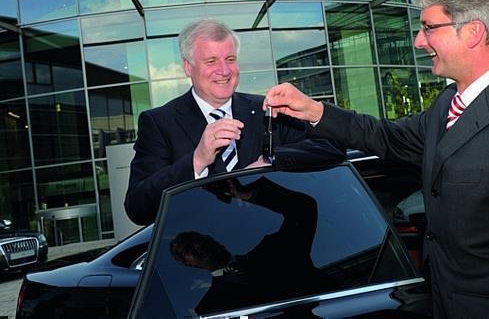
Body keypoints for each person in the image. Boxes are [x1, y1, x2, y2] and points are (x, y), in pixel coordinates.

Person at [263, 0, 489, 319]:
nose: (418, 41)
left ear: (473, 32)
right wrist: (312, 110)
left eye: (429, 28)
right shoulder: (448, 103)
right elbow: (388, 137)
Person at [125, 19, 344, 226]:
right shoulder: (159, 122)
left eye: (230, 59)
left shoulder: (267, 109)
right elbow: (138, 208)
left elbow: (332, 147)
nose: (224, 70)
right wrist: (197, 160)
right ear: (188, 67)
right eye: (211, 61)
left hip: (273, 245)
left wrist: (270, 160)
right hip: (200, 258)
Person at [169, 177, 325, 315]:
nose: (197, 246)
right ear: (187, 263)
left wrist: (249, 194)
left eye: (198, 239)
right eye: (186, 249)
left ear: (212, 239)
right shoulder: (211, 309)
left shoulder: (276, 249)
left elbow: (303, 208)